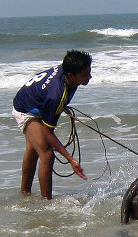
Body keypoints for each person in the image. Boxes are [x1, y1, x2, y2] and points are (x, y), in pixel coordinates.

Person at [12, 49, 92, 198]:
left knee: (33, 149)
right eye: (84, 75)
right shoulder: (56, 95)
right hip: (25, 110)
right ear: (70, 75)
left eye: (89, 72)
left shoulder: (67, 70)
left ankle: (25, 194)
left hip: (33, 102)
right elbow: (48, 134)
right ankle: (46, 203)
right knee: (47, 155)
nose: (90, 77)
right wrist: (71, 160)